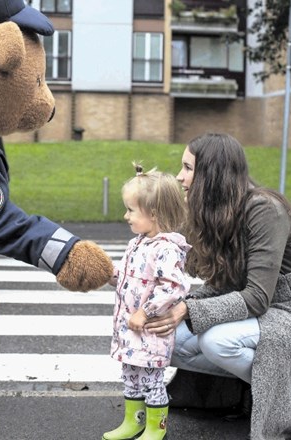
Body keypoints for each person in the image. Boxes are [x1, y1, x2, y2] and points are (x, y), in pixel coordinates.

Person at [145, 133, 291, 439]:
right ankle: (249, 390)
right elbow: (202, 275)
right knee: (163, 339)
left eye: (188, 168)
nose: (180, 177)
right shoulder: (216, 211)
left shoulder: (265, 210)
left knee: (216, 341)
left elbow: (257, 297)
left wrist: (188, 308)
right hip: (266, 312)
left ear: (212, 174)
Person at [103, 164, 191, 440]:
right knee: (130, 375)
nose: (125, 215)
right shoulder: (137, 243)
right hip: (130, 330)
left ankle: (156, 427)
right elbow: (131, 279)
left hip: (150, 331)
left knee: (152, 380)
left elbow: (174, 287)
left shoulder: (166, 249)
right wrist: (108, 273)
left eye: (131, 210)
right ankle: (134, 420)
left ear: (153, 214)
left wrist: (145, 311)